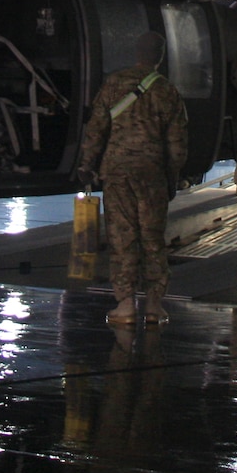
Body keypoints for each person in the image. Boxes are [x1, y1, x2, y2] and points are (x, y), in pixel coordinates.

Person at [76, 30, 188, 326]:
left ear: (136, 54)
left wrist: (87, 164)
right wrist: (172, 177)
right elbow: (177, 146)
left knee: (122, 237)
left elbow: (96, 128)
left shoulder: (113, 84)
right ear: (160, 58)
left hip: (117, 173)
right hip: (151, 175)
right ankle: (154, 306)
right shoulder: (167, 91)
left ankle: (125, 305)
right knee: (152, 239)